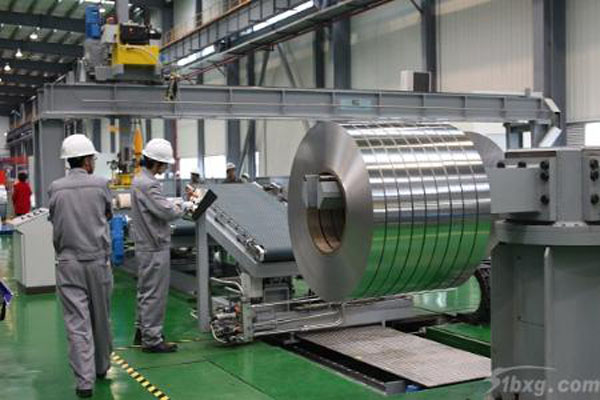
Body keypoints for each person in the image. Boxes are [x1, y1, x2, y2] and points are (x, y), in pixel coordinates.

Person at [48, 134, 113, 399]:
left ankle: (84, 383)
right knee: (101, 318)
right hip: (97, 262)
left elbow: (54, 221)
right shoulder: (101, 184)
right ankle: (101, 367)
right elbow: (107, 215)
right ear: (87, 161)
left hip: (68, 263)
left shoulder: (55, 188)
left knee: (77, 323)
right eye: (93, 159)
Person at [130, 139, 191, 353]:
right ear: (156, 162)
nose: (165, 168)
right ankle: (152, 339)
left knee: (146, 291)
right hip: (154, 246)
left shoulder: (140, 180)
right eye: (164, 164)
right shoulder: (148, 184)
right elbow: (166, 212)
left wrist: (177, 203)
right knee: (154, 294)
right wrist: (185, 206)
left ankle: (143, 331)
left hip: (146, 245)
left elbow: (159, 205)